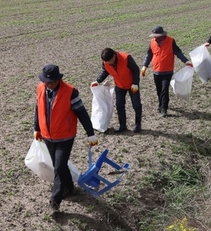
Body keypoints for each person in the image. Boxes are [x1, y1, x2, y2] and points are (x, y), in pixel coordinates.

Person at [33, 64, 98, 216]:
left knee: (58, 166)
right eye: (47, 82)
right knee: (59, 166)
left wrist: (91, 133)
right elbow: (38, 108)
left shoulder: (70, 92)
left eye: (53, 82)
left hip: (65, 136)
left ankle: (55, 200)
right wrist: (36, 128)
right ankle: (69, 187)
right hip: (47, 135)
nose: (49, 84)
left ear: (59, 79)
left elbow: (82, 113)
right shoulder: (40, 88)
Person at [141, 25, 192, 117]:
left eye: (156, 35)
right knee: (159, 90)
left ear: (161, 35)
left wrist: (186, 61)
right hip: (156, 70)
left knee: (164, 90)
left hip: (167, 71)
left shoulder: (171, 41)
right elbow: (149, 55)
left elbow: (178, 52)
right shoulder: (152, 42)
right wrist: (145, 66)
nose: (154, 37)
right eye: (154, 36)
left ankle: (164, 108)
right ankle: (161, 104)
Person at [91, 48, 142, 132]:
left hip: (132, 85)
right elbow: (105, 71)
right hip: (119, 86)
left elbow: (136, 70)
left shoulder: (126, 58)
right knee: (119, 106)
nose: (109, 63)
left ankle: (138, 125)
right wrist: (98, 81)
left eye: (110, 61)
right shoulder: (106, 62)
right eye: (107, 62)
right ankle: (122, 125)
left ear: (114, 55)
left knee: (136, 105)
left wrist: (135, 83)